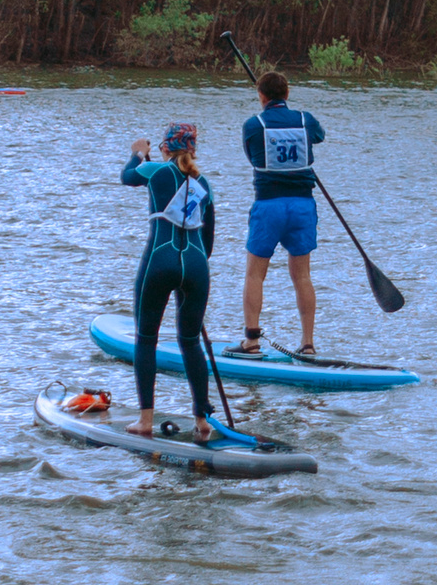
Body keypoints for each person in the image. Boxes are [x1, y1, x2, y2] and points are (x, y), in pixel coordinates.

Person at [122, 123, 217, 443]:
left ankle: (145, 420)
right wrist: (191, 272)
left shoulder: (155, 170)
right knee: (190, 341)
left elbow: (128, 176)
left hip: (159, 261)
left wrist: (137, 151)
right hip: (196, 265)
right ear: (193, 149)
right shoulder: (204, 183)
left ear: (165, 147)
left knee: (146, 338)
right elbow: (209, 241)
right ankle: (203, 422)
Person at [238, 69, 326, 356]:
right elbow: (319, 137)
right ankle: (309, 343)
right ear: (287, 94)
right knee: (302, 276)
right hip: (302, 206)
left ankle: (251, 341)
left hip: (269, 205)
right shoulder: (305, 119)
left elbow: (252, 156)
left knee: (255, 275)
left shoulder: (254, 124)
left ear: (260, 96)